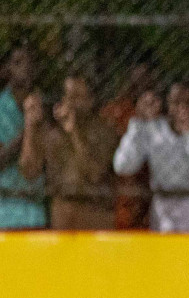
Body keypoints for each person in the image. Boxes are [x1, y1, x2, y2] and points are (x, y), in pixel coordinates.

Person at [111, 82, 189, 232]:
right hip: (166, 224)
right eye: (176, 102)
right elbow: (123, 166)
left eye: (187, 102)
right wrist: (138, 123)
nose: (182, 108)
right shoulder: (154, 130)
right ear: (166, 103)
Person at [18, 71, 119, 230]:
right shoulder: (52, 132)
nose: (71, 103)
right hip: (62, 216)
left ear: (90, 100)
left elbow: (94, 173)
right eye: (68, 96)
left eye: (77, 97)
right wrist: (30, 125)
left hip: (94, 214)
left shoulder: (104, 130)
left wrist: (73, 132)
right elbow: (29, 171)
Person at [101, 60, 157, 229]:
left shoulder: (160, 113)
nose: (141, 82)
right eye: (137, 77)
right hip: (122, 191)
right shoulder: (116, 110)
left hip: (150, 189)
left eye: (146, 77)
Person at [0, 46, 47, 229]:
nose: (25, 67)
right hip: (4, 212)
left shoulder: (45, 105)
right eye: (18, 62)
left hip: (36, 212)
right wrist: (28, 128)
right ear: (5, 68)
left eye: (30, 62)